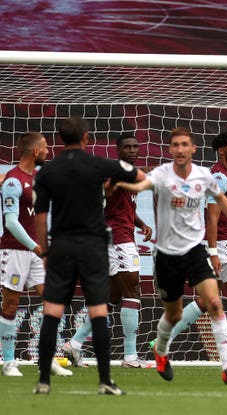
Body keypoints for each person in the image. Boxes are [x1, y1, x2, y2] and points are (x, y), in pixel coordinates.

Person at [115, 127, 227, 385]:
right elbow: (144, 184)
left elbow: (221, 200)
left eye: (185, 145)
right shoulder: (161, 174)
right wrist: (123, 183)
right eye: (175, 145)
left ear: (192, 149)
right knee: (174, 315)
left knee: (214, 302)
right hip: (167, 255)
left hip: (194, 251)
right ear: (171, 150)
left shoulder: (204, 175)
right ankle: (160, 349)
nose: (180, 149)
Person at [32, 117, 146, 395]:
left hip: (61, 246)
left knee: (52, 311)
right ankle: (106, 380)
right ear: (85, 137)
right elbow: (142, 179)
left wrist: (44, 251)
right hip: (94, 246)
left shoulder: (48, 171)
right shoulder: (100, 165)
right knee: (99, 308)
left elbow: (41, 215)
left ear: (59, 140)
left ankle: (44, 381)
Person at [152, 131, 227, 369]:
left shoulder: (225, 175)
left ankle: (163, 339)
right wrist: (214, 251)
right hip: (223, 243)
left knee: (208, 300)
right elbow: (212, 219)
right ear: (222, 151)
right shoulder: (219, 176)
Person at [62, 134, 153, 368]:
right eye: (127, 147)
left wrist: (140, 223)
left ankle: (74, 344)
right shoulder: (116, 172)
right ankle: (130, 357)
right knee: (132, 290)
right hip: (118, 239)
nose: (132, 150)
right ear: (118, 150)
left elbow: (122, 207)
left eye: (135, 146)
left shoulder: (127, 173)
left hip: (121, 235)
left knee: (113, 297)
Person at [0, 133, 72, 378]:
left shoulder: (38, 178)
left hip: (37, 251)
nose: (48, 150)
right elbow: (10, 222)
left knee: (52, 300)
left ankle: (46, 358)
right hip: (14, 251)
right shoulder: (13, 181)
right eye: (44, 146)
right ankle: (9, 361)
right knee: (10, 303)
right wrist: (35, 247)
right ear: (34, 151)